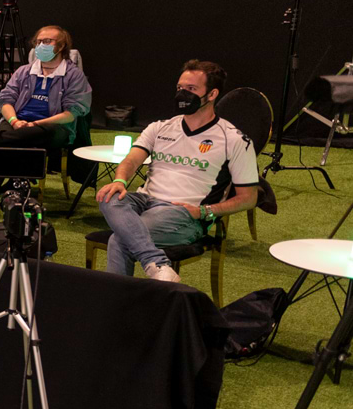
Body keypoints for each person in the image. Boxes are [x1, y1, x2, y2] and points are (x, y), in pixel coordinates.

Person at [97, 59, 259, 282]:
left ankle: (118, 297)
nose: (183, 94)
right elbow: (131, 160)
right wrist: (120, 180)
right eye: (180, 88)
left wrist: (204, 212)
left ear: (212, 94)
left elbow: (249, 198)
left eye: (191, 89)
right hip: (145, 200)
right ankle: (156, 264)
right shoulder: (160, 127)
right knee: (109, 196)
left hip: (184, 213)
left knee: (120, 240)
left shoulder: (234, 140)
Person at [0, 25, 93, 220]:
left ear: (61, 45)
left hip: (53, 126)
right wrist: (14, 121)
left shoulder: (73, 75)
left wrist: (36, 124)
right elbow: (5, 100)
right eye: (38, 41)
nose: (41, 45)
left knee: (16, 140)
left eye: (47, 41)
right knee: (11, 144)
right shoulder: (24, 71)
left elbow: (72, 112)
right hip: (16, 123)